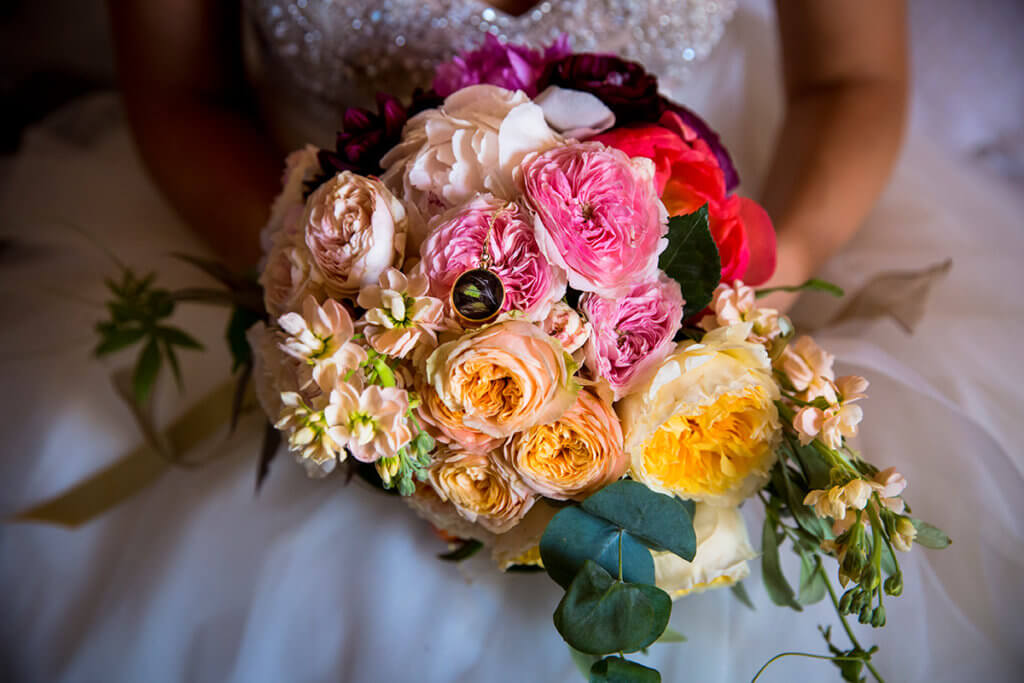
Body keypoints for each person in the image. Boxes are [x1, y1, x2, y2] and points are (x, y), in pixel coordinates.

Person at [1, 1, 1021, 681]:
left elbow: (850, 80)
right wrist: (343, 301)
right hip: (324, 266)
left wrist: (731, 290)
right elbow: (185, 94)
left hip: (723, 250)